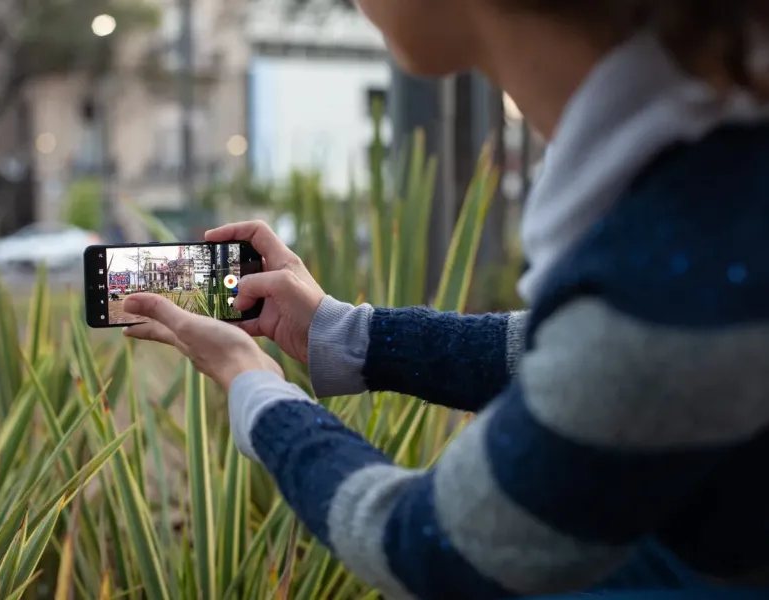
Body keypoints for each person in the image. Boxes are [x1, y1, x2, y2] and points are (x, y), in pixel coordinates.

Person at [122, 1, 769, 598]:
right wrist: (342, 332)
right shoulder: (708, 177)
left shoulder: (677, 263)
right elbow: (571, 354)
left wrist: (252, 382)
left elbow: (429, 547)